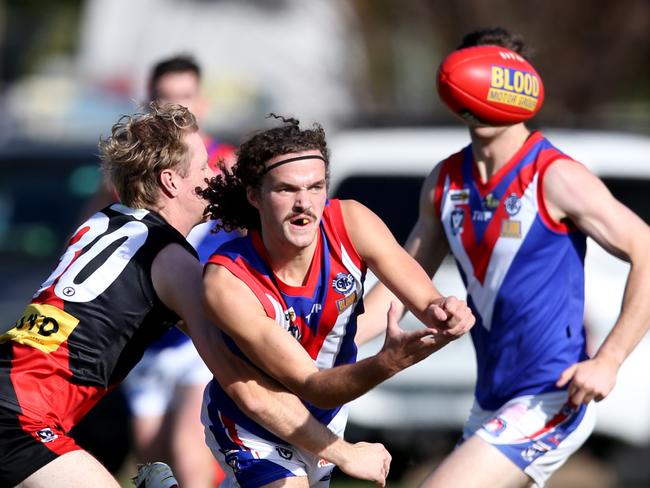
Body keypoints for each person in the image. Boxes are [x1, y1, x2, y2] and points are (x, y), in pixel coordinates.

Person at [0, 104, 401, 487]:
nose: (214, 173)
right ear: (171, 182)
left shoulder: (104, 222)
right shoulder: (173, 263)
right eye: (204, 165)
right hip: (20, 418)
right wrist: (344, 452)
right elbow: (248, 388)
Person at [362, 27, 650, 488]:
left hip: (551, 396)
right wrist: (331, 346)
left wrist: (609, 359)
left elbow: (646, 250)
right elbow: (403, 280)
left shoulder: (554, 176)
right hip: (491, 398)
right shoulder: (446, 182)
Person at [198, 114, 475, 487]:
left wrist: (446, 311)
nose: (305, 204)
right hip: (255, 424)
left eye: (316, 187)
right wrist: (388, 363)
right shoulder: (228, 281)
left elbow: (425, 299)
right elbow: (311, 384)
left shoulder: (351, 222)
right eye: (286, 190)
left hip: (324, 417)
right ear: (254, 195)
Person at [121, 54, 236, 488]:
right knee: (151, 460)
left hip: (195, 323)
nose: (175, 109)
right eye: (164, 99)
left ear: (201, 104)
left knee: (188, 446)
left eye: (184, 98)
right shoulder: (130, 172)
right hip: (147, 337)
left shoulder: (225, 164)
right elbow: (93, 224)